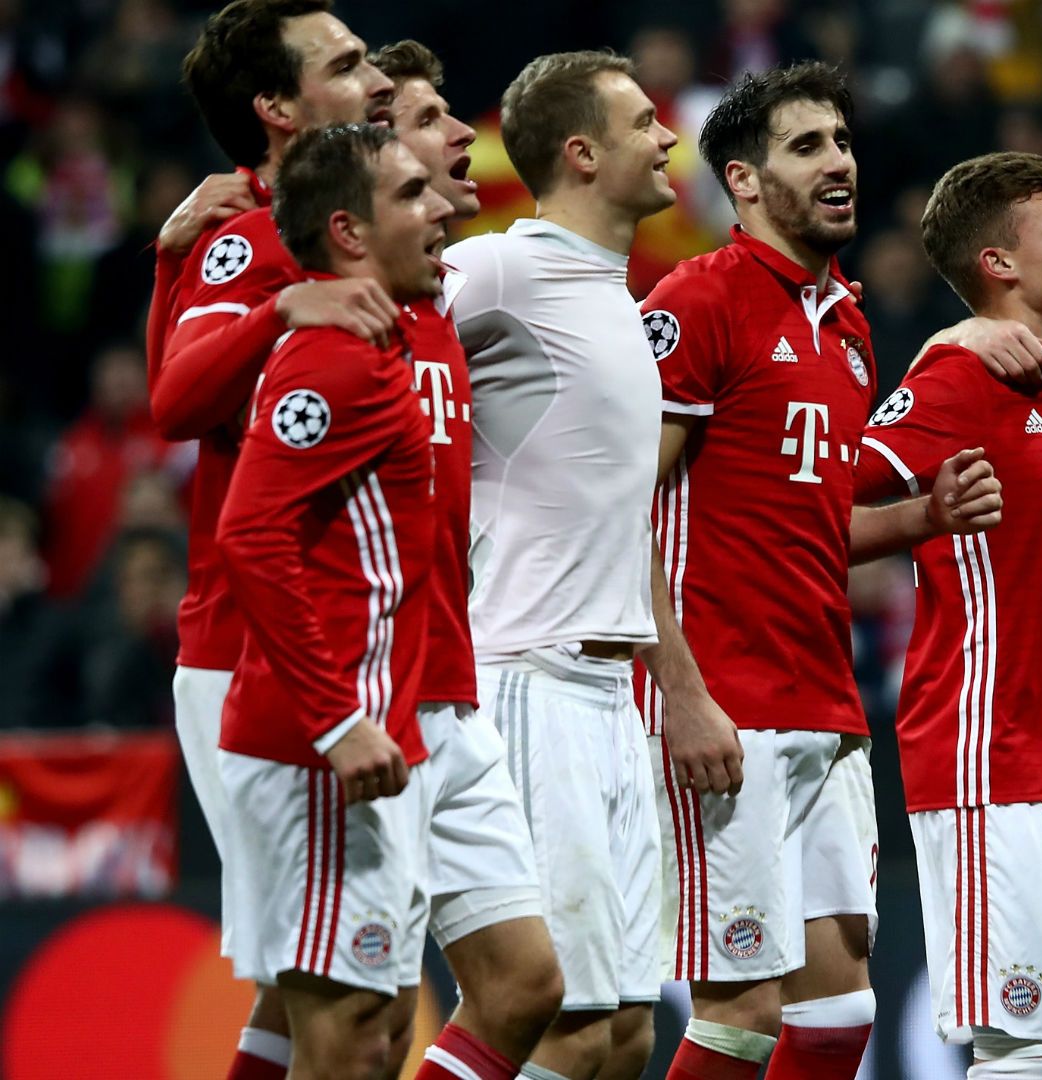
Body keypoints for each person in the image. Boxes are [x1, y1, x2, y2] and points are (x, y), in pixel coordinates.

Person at [638, 62, 1002, 1080]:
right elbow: (617, 510)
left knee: (841, 1009)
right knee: (740, 1012)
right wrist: (680, 693)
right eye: (806, 146)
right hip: (725, 705)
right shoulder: (696, 300)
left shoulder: (845, 326)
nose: (839, 162)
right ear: (744, 181)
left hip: (825, 703)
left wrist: (924, 517)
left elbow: (814, 522)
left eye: (841, 141)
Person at [154, 4, 405, 1075]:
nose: (376, 79)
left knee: (325, 999)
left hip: (348, 644)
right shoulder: (254, 241)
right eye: (345, 66)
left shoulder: (363, 231)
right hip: (256, 650)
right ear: (277, 108)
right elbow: (177, 400)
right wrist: (279, 305)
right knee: (350, 1009)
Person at [854, 151, 1042, 1080]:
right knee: (1021, 1051)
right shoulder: (960, 381)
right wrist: (948, 346)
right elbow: (810, 508)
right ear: (998, 264)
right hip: (991, 759)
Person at [443, 49, 675, 1080]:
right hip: (529, 675)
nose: (669, 138)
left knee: (624, 1038)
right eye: (645, 123)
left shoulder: (618, 292)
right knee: (561, 1028)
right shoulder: (501, 267)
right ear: (582, 154)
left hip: (611, 694)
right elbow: (373, 338)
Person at [215, 121, 448, 1080]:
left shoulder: (368, 347)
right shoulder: (333, 362)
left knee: (379, 1027)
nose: (439, 209)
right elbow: (248, 534)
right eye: (411, 194)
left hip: (363, 739)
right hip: (318, 752)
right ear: (348, 231)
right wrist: (334, 721)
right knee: (349, 1035)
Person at [367, 40, 570, 1080]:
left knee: (528, 988)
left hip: (454, 679)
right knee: (358, 1020)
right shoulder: (334, 310)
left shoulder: (447, 299)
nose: (461, 135)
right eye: (429, 120)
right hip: (372, 693)